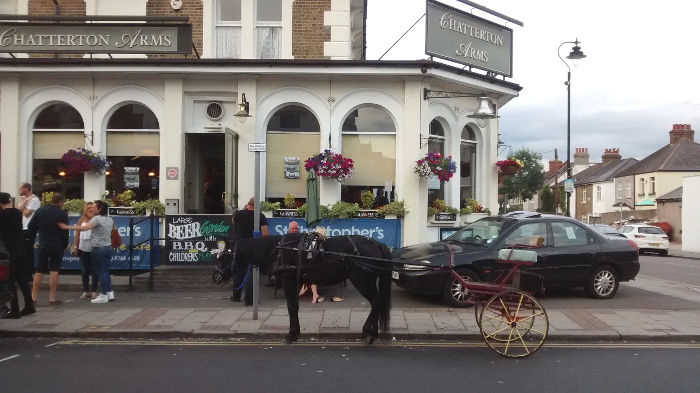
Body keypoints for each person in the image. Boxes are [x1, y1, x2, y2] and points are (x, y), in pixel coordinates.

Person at [60, 200, 115, 304]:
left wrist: (67, 226)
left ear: (99, 209)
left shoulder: (97, 219)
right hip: (108, 247)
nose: (92, 208)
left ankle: (103, 295)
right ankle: (109, 293)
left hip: (99, 248)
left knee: (101, 271)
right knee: (105, 271)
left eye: (94, 207)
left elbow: (84, 228)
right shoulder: (109, 219)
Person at [27, 192, 69, 306]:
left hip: (43, 243)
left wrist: (40, 233)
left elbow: (31, 226)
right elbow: (65, 232)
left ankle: (33, 297)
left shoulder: (40, 211)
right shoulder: (62, 214)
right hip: (57, 245)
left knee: (39, 270)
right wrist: (65, 245)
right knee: (54, 270)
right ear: (60, 202)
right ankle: (52, 298)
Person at [0, 192, 35, 318]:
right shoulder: (16, 213)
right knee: (22, 280)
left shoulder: (3, 215)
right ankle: (29, 306)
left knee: (10, 281)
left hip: (10, 252)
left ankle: (14, 310)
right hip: (21, 250)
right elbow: (18, 209)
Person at [230, 197, 269, 306]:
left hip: (240, 245)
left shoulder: (240, 214)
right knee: (252, 272)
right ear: (258, 206)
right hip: (253, 246)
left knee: (239, 271)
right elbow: (265, 234)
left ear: (248, 204)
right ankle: (249, 299)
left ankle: (236, 296)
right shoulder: (261, 217)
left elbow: (233, 220)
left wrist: (243, 209)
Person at [71, 202, 99, 300]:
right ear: (85, 210)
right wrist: (75, 246)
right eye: (88, 208)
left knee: (95, 271)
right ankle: (86, 291)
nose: (91, 209)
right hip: (83, 248)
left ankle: (94, 291)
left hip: (94, 249)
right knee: (84, 271)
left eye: (92, 208)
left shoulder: (96, 220)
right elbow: (77, 234)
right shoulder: (81, 220)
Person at [294, 222, 324, 304]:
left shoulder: (315, 241)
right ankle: (306, 287)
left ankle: (314, 293)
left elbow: (309, 252)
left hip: (316, 265)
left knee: (309, 273)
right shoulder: (323, 241)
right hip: (317, 264)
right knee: (308, 271)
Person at [17, 183, 40, 284]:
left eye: (20, 188)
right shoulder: (23, 199)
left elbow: (26, 214)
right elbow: (18, 211)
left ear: (26, 189)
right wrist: (23, 203)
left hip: (30, 228)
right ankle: (27, 273)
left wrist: (23, 206)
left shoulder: (34, 200)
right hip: (22, 228)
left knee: (27, 251)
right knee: (24, 251)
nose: (19, 190)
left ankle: (29, 274)